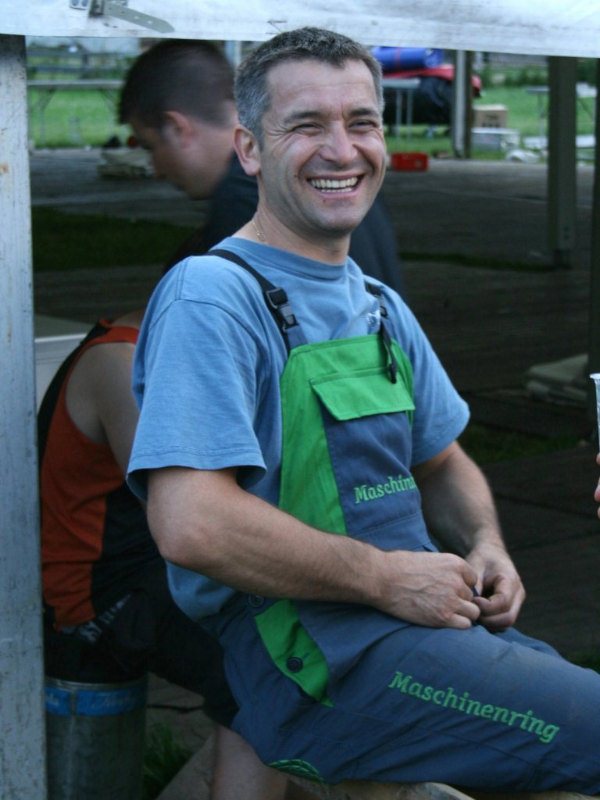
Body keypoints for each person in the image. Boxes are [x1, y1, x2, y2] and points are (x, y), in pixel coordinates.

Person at [128, 27, 600, 793]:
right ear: (249, 149)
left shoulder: (377, 306)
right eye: (306, 125)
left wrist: (485, 544)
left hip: (416, 632)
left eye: (361, 122)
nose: (342, 150)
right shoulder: (212, 296)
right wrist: (385, 579)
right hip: (316, 663)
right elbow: (191, 522)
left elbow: (442, 460)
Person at [38, 309, 308, 800]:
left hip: (155, 565)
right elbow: (187, 510)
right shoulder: (118, 363)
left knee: (308, 632)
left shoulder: (166, 352)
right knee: (267, 669)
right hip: (101, 598)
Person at [117, 38, 404, 294]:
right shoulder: (344, 173)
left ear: (177, 128)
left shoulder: (247, 196)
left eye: (150, 146)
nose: (156, 170)